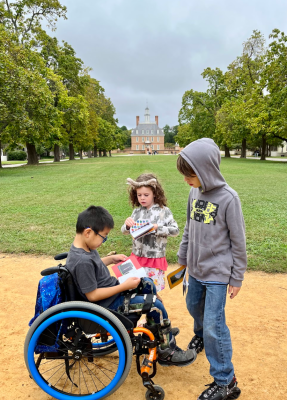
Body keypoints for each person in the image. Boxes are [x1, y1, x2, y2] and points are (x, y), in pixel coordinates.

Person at [65, 205, 196, 367]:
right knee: (155, 306)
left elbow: (94, 265)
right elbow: (93, 295)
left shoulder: (83, 249)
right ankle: (166, 352)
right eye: (103, 237)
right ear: (88, 232)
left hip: (110, 298)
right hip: (108, 306)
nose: (103, 241)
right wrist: (123, 286)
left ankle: (156, 327)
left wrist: (110, 260)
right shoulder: (82, 261)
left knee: (146, 282)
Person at [176, 138, 246, 400]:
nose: (186, 180)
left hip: (217, 273)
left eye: (190, 174)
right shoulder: (194, 192)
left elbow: (238, 242)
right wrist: (183, 258)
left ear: (206, 169)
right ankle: (202, 336)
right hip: (195, 269)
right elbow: (188, 228)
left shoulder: (229, 198)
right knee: (194, 307)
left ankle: (226, 381)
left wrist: (236, 277)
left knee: (214, 324)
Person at [121, 173, 179, 292]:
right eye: (139, 195)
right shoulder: (136, 212)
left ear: (154, 194)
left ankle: (155, 308)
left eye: (146, 195)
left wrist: (157, 227)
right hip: (136, 258)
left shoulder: (164, 211)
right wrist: (127, 225)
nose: (142, 198)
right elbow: (125, 231)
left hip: (154, 259)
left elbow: (175, 231)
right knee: (134, 289)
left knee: (152, 291)